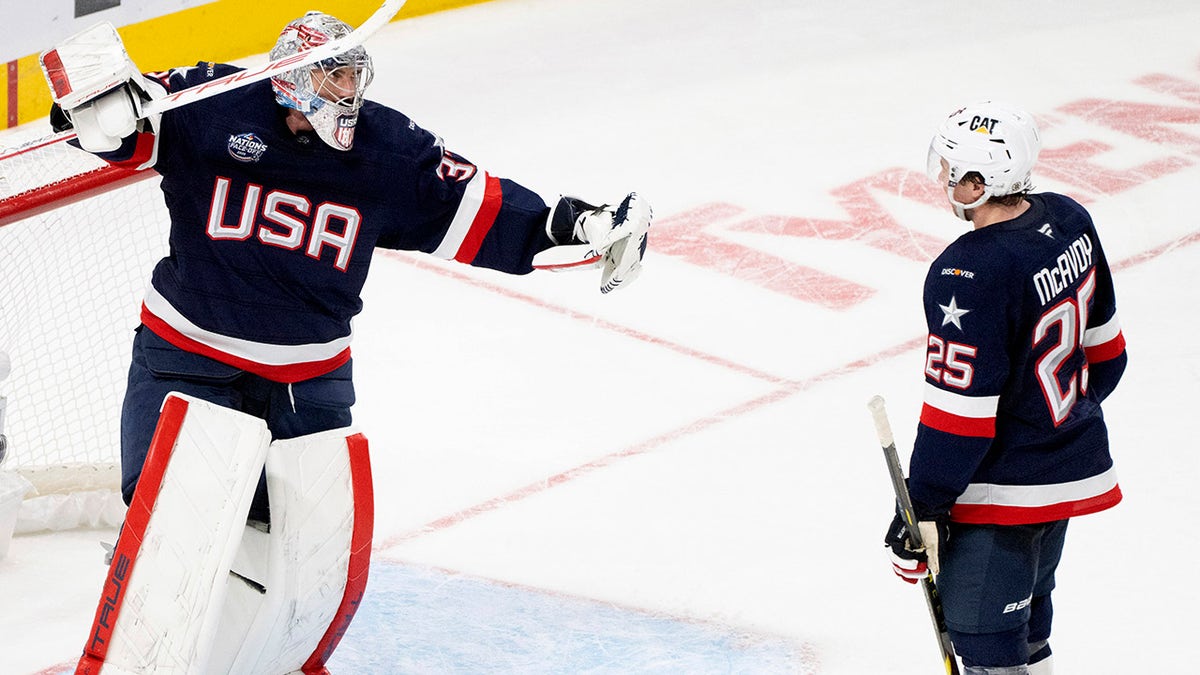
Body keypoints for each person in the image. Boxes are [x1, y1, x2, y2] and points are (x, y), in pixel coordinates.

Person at [43, 10, 650, 668]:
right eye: (333, 83)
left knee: (306, 551)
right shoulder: (213, 103)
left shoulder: (388, 151)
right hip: (188, 359)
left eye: (353, 81)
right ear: (292, 83)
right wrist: (97, 103)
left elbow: (483, 211)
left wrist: (580, 225)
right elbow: (104, 124)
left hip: (306, 382)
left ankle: (270, 658)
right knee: (167, 527)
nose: (348, 99)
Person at [883, 101, 1127, 675]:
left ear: (979, 180)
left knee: (991, 652)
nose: (943, 180)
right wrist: (1052, 429)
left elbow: (959, 420)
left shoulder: (966, 272)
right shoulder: (1069, 219)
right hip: (1063, 477)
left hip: (998, 500)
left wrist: (922, 507)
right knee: (1028, 635)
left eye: (953, 170)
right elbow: (1108, 359)